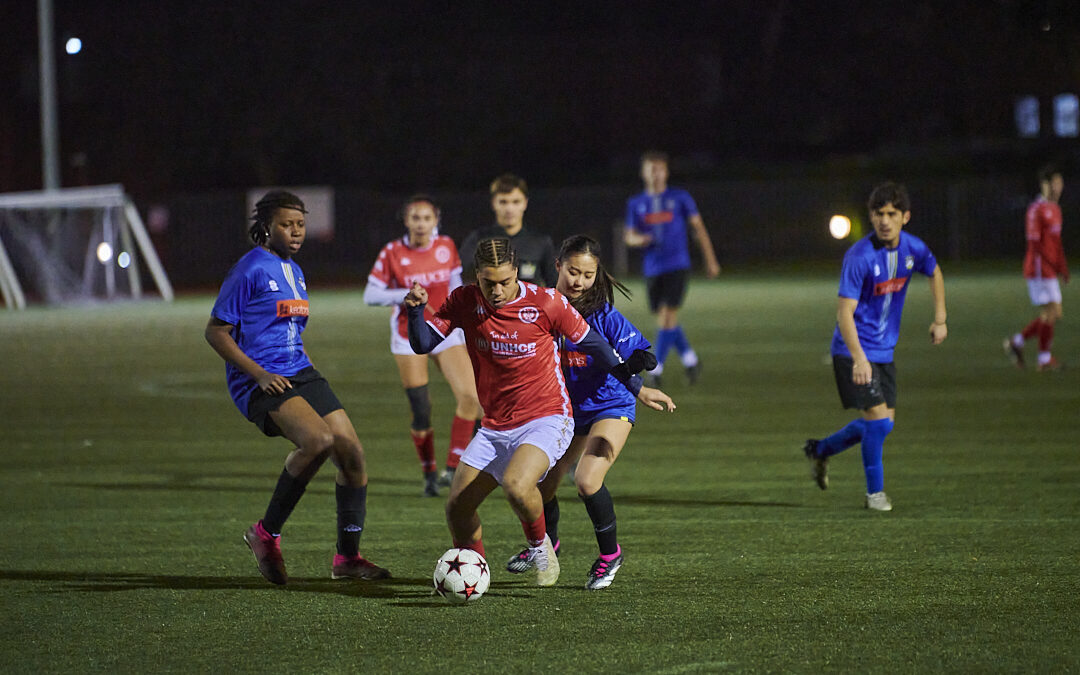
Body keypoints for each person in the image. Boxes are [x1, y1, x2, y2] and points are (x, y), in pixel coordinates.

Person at [405, 237, 674, 587]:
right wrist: (414, 310)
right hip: (499, 424)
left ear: (517, 271)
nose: (497, 290)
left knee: (540, 484)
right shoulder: (464, 301)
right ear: (476, 277)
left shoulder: (547, 303)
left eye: (504, 281)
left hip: (562, 413)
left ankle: (555, 549)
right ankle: (479, 573)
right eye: (489, 283)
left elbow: (600, 346)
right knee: (460, 506)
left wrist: (638, 388)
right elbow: (424, 343)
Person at [205, 190, 390, 585]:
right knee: (318, 440)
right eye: (286, 225)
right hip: (259, 379)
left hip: (299, 370)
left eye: (300, 225)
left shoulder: (295, 270)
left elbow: (288, 328)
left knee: (352, 454)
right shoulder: (250, 268)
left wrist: (310, 369)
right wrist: (258, 374)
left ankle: (348, 559)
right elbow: (216, 332)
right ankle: (265, 534)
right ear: (266, 227)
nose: (295, 232)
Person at [520, 234, 671, 590]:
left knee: (587, 480)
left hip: (610, 405)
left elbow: (643, 356)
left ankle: (609, 555)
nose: (579, 281)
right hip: (567, 410)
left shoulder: (603, 314)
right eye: (573, 271)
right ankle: (546, 546)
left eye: (587, 275)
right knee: (539, 485)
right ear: (557, 266)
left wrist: (637, 371)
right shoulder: (541, 307)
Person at [803, 182, 947, 512]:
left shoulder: (913, 249)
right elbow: (844, 312)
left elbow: (935, 271)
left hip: (884, 352)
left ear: (905, 217)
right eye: (879, 214)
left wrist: (940, 318)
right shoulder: (859, 257)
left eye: (892, 214)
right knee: (879, 423)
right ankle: (874, 494)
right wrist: (858, 359)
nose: (885, 221)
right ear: (871, 217)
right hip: (852, 352)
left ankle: (821, 450)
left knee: (880, 425)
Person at [364, 194, 482, 496]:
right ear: (406, 220)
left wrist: (464, 314)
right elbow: (371, 294)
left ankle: (453, 468)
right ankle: (429, 472)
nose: (421, 224)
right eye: (415, 218)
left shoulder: (446, 246)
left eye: (426, 218)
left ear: (436, 220)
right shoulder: (392, 252)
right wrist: (403, 294)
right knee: (421, 410)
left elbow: (455, 283)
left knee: (471, 397)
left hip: (445, 330)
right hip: (407, 336)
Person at [624, 150, 721, 387]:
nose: (656, 174)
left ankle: (655, 368)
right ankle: (691, 360)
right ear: (643, 173)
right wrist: (640, 240)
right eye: (651, 169)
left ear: (666, 172)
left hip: (677, 265)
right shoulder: (636, 203)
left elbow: (698, 229)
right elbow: (629, 236)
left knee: (668, 316)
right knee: (666, 321)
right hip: (652, 269)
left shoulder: (680, 198)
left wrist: (710, 259)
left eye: (660, 169)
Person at [1004, 164, 1069, 372]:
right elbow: (1035, 243)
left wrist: (1062, 266)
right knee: (1051, 312)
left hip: (1049, 268)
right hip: (1039, 268)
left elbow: (1056, 243)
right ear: (1045, 185)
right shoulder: (1036, 210)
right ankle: (1043, 358)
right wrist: (1049, 265)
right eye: (1055, 183)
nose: (1058, 188)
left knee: (1053, 314)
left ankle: (1018, 343)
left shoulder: (1056, 210)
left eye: (1060, 183)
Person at [459, 173, 557, 286]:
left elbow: (554, 285)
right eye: (503, 202)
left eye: (516, 202)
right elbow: (458, 278)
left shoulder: (541, 242)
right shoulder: (478, 239)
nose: (509, 209)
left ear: (525, 203)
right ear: (493, 203)